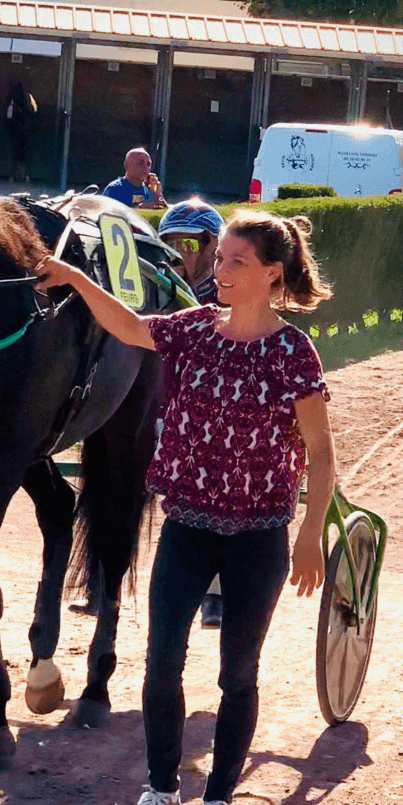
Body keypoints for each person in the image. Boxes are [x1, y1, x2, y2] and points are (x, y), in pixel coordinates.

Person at [35, 208, 335, 805]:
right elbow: (127, 324)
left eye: (235, 263)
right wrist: (74, 279)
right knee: (162, 661)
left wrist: (310, 536)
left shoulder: (291, 352)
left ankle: (218, 803)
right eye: (219, 259)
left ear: (271, 275)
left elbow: (321, 451)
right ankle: (162, 791)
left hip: (258, 536)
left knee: (237, 674)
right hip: (187, 527)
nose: (218, 271)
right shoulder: (195, 330)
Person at [158, 197, 226, 625]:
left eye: (189, 244)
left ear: (209, 246)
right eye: (171, 244)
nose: (179, 254)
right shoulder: (160, 290)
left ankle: (216, 590)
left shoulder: (229, 293)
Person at [103, 148, 167, 210]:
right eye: (141, 163)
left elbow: (167, 214)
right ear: (126, 165)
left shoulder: (151, 190)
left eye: (148, 164)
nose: (145, 167)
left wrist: (158, 195)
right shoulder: (114, 189)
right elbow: (107, 214)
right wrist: (139, 208)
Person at [4, 81, 38, 184]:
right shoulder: (24, 100)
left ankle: (16, 175)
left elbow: (9, 116)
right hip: (23, 130)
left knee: (16, 151)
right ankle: (23, 175)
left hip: (18, 130)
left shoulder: (15, 100)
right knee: (23, 152)